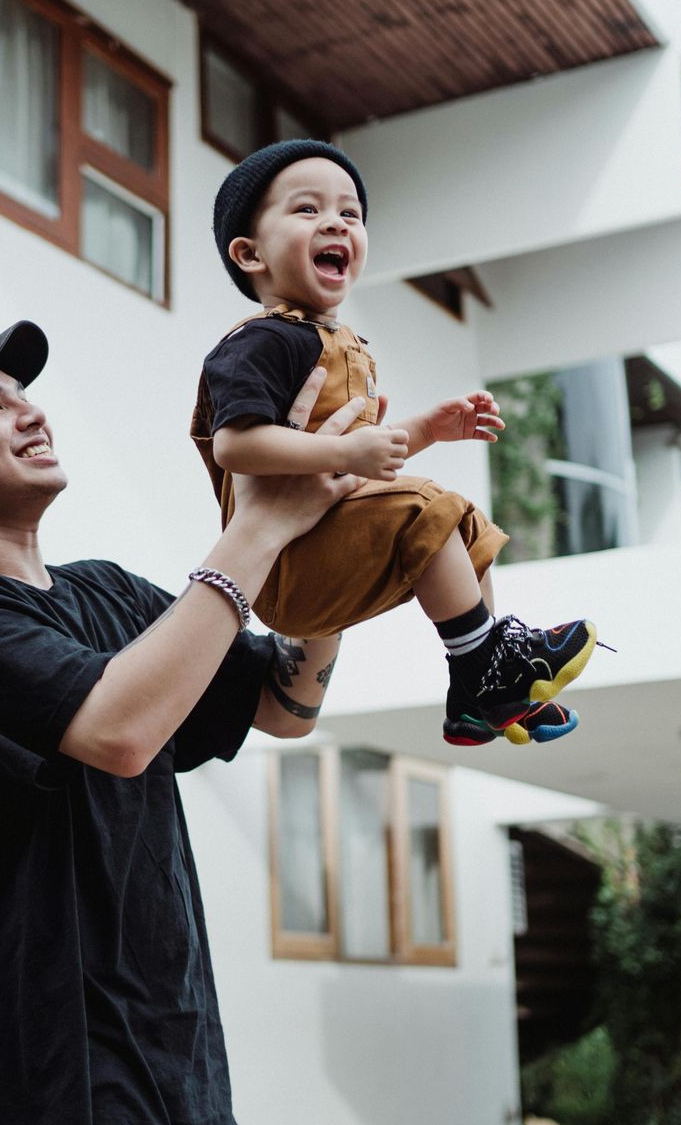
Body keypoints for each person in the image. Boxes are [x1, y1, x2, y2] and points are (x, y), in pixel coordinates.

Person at [0, 319, 361, 1125]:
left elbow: (284, 702)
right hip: (46, 1089)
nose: (32, 413)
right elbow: (121, 732)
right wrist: (258, 526)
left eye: (28, 396)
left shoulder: (112, 595)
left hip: (181, 1077)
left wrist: (323, 550)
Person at [191, 139, 603, 746]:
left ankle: (484, 686)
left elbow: (361, 462)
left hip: (325, 540)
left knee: (464, 523)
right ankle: (485, 670)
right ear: (250, 253)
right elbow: (237, 446)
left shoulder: (342, 343)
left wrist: (428, 430)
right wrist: (344, 453)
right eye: (307, 209)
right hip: (281, 566)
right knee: (426, 508)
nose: (335, 222)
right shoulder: (260, 341)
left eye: (350, 213)